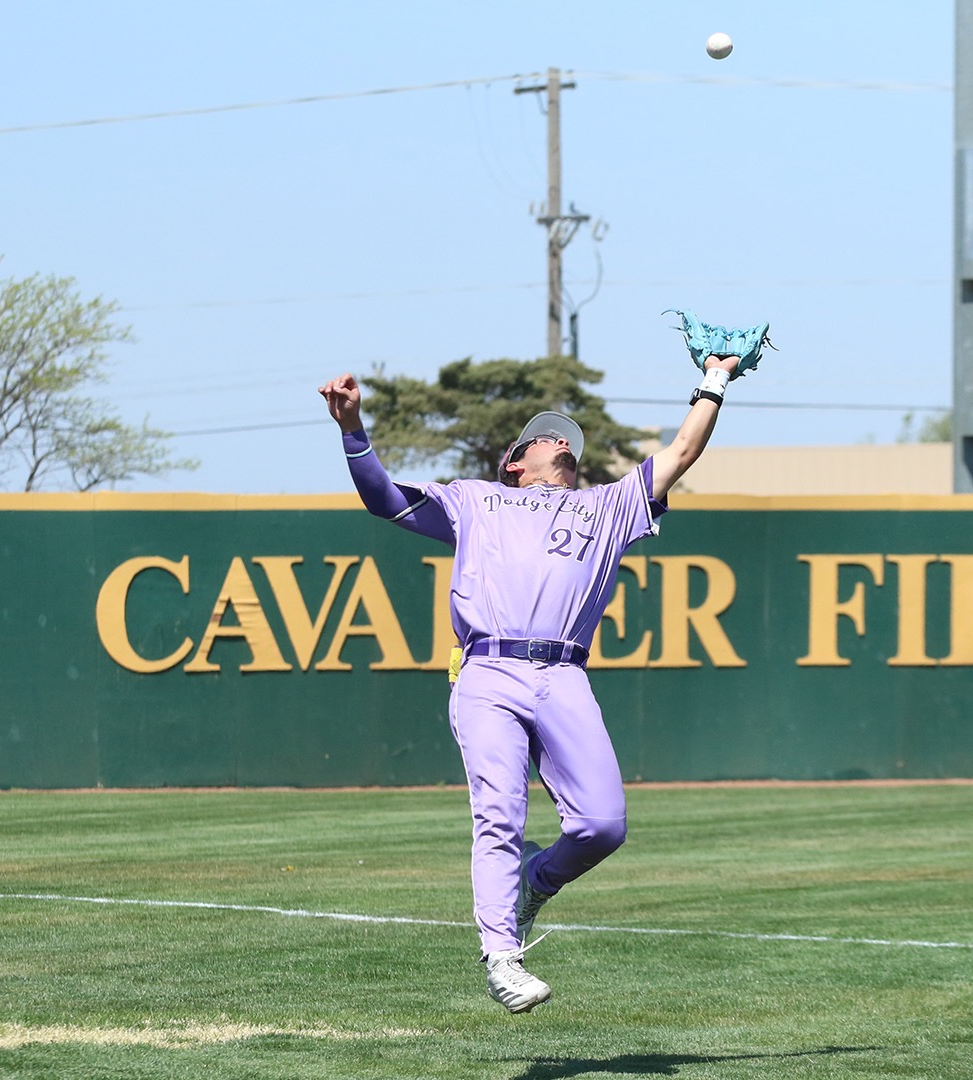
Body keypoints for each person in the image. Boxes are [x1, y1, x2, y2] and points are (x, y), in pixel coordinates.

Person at [317, 351, 742, 1013]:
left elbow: (683, 449)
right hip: (487, 669)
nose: (561, 442)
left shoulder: (609, 507)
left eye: (567, 438)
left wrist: (714, 379)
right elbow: (385, 500)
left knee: (604, 823)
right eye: (548, 437)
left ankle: (535, 881)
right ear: (514, 462)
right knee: (499, 815)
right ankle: (501, 955)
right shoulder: (477, 500)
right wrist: (352, 429)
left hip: (564, 673)